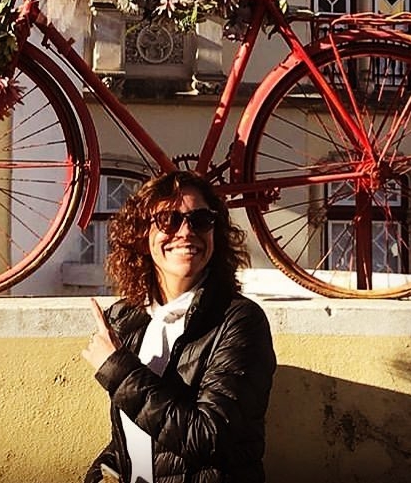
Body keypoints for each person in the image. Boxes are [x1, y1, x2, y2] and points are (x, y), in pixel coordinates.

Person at [81, 170, 276, 483]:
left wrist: (120, 370)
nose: (186, 232)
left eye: (200, 220)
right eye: (168, 220)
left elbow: (208, 437)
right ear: (142, 237)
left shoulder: (239, 321)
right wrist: (100, 474)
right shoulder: (125, 318)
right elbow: (137, 435)